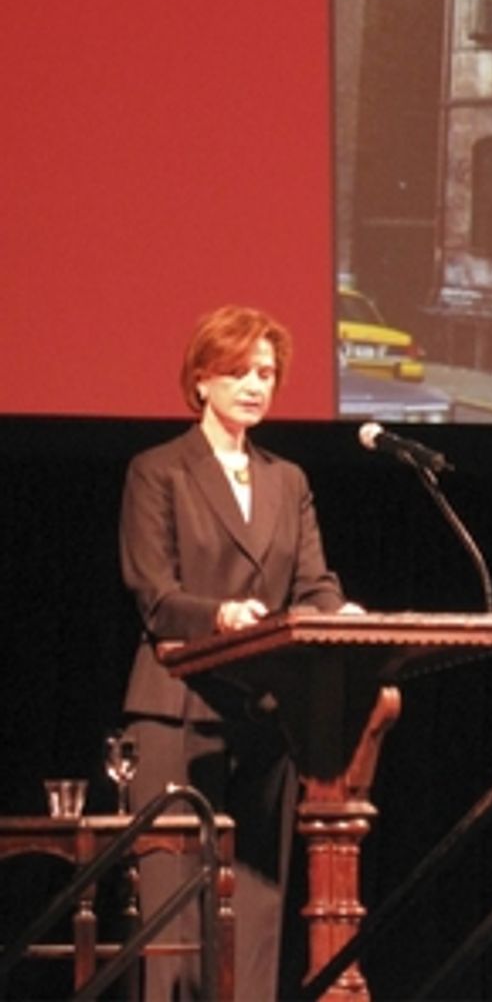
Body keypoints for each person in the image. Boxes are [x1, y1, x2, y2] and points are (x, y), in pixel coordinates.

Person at [119, 305, 357, 1001]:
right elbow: (154, 594)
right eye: (240, 372)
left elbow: (314, 584)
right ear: (201, 380)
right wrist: (220, 614)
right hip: (176, 707)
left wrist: (339, 614)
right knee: (171, 901)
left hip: (263, 706)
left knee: (256, 903)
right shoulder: (159, 470)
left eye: (268, 374)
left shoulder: (288, 481)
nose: (256, 385)